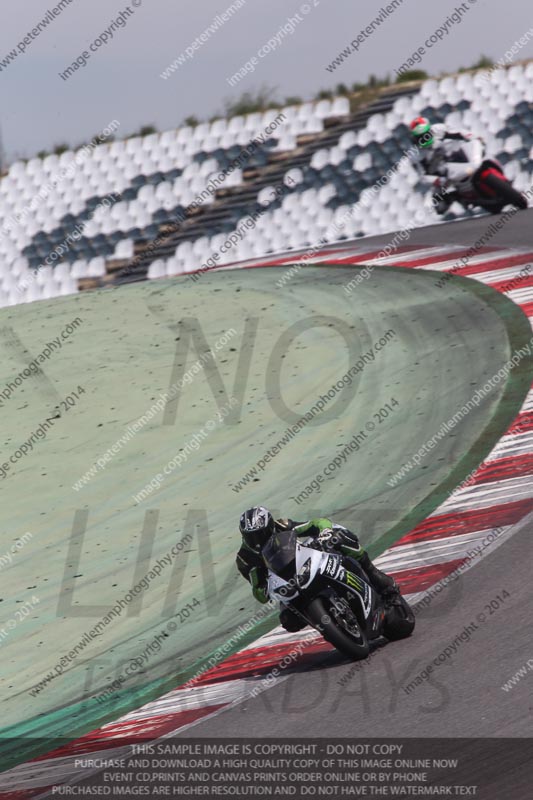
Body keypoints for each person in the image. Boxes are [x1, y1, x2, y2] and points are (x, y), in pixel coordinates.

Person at [236, 506, 399, 632]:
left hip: (304, 561)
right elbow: (259, 592)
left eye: (261, 533)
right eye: (251, 536)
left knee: (338, 537)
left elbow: (315, 523)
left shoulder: (281, 526)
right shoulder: (244, 559)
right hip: (287, 584)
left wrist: (325, 532)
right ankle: (332, 625)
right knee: (288, 621)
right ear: (243, 535)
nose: (257, 540)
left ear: (270, 525)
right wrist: (262, 588)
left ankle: (374, 574)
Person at [409, 116, 481, 214]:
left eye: (426, 134)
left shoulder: (439, 129)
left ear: (430, 129)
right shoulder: (414, 154)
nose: (424, 138)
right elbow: (422, 177)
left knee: (477, 147)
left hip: (459, 155)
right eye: (419, 137)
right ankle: (456, 196)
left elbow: (459, 132)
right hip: (444, 174)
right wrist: (437, 180)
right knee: (440, 207)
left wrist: (472, 136)